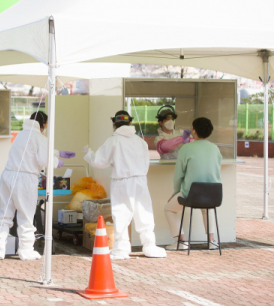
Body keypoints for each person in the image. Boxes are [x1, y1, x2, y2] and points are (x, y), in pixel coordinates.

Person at [0, 111, 76, 261]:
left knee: (4, 213)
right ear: (43, 123)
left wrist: (57, 153)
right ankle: (26, 249)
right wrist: (55, 161)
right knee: (26, 215)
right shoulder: (40, 137)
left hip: (8, 175)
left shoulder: (21, 134)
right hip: (25, 178)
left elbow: (31, 150)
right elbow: (43, 158)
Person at [83, 110, 166, 260]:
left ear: (114, 124)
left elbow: (99, 162)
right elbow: (146, 162)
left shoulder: (113, 141)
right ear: (129, 123)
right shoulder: (140, 141)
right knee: (144, 212)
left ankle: (121, 248)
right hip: (140, 180)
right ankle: (149, 246)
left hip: (122, 181)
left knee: (121, 214)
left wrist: (88, 153)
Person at [164, 117, 222, 250]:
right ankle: (212, 241)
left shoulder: (186, 148)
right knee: (207, 209)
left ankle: (182, 241)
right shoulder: (215, 148)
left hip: (191, 195)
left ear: (194, 131)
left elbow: (179, 175)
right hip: (213, 194)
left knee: (168, 209)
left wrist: (175, 193)